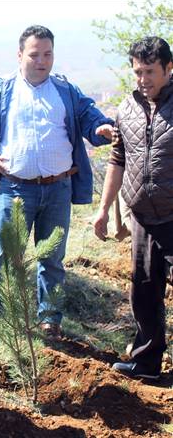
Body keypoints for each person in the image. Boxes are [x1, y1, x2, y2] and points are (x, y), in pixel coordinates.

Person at [0, 25, 114, 337]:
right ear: (19, 56)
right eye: (34, 54)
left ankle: (49, 319)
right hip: (15, 189)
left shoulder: (65, 91)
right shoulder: (2, 90)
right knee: (4, 256)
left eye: (47, 54)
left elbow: (91, 117)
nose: (41, 61)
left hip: (58, 187)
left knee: (52, 257)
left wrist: (101, 129)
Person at [93, 37, 173, 380]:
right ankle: (147, 362)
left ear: (169, 69)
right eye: (138, 72)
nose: (143, 79)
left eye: (150, 71)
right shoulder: (127, 108)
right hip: (142, 217)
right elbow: (118, 160)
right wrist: (103, 208)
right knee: (143, 289)